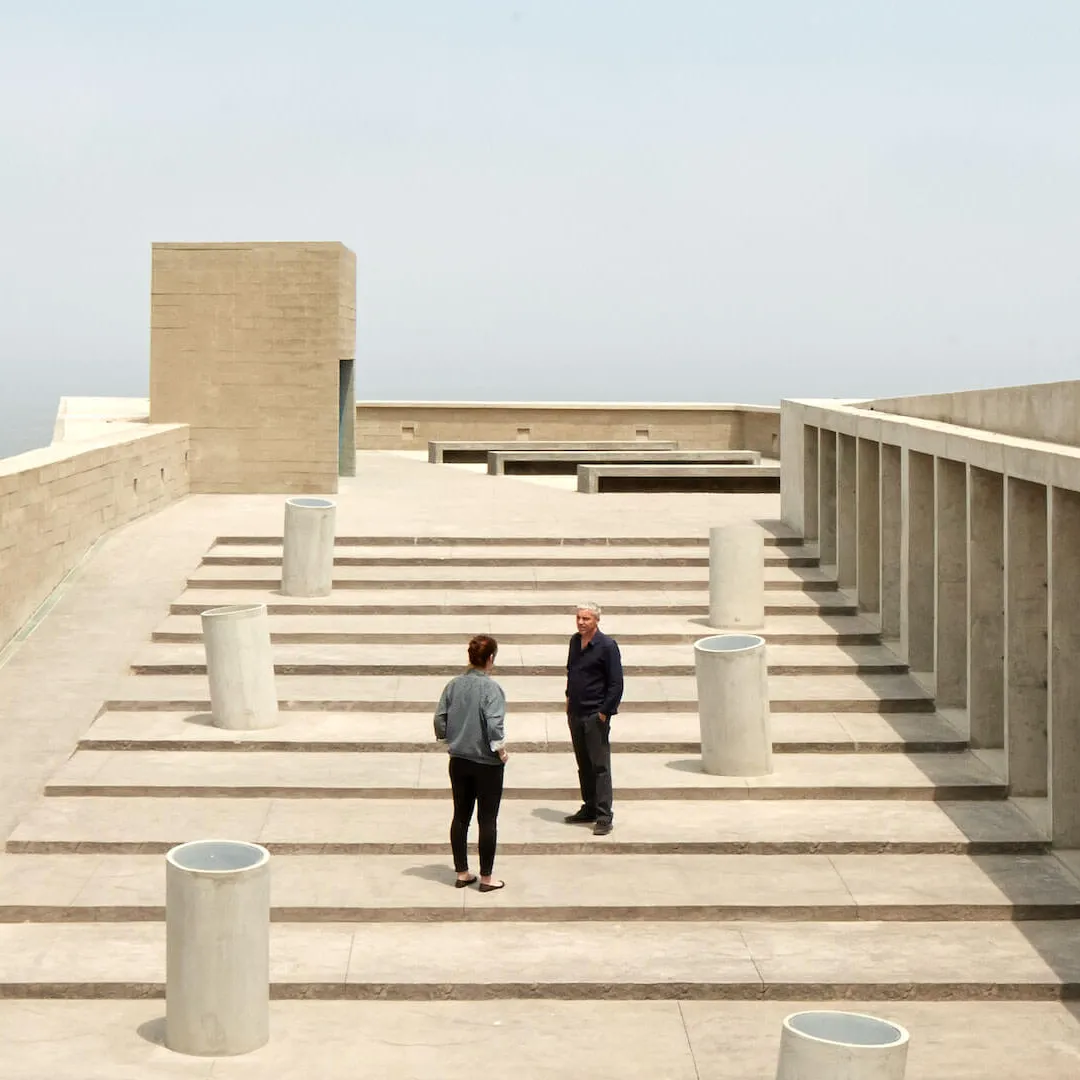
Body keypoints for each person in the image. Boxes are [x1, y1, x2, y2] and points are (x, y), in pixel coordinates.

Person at [433, 634, 509, 891]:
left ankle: (462, 872)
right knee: (487, 819)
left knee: (460, 817)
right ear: (490, 659)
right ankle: (487, 878)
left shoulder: (453, 685)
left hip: (459, 759)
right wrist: (500, 750)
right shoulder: (492, 688)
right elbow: (494, 723)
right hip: (486, 762)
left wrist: (449, 737)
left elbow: (439, 719)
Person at [564, 602, 624, 836]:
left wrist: (604, 712)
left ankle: (603, 814)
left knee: (600, 766)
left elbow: (616, 683)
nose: (581, 622)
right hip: (576, 712)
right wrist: (568, 698)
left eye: (586, 619)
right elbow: (572, 670)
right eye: (578, 618)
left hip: (594, 714)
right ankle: (588, 807)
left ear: (596, 621)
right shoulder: (574, 642)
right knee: (584, 764)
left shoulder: (607, 646)